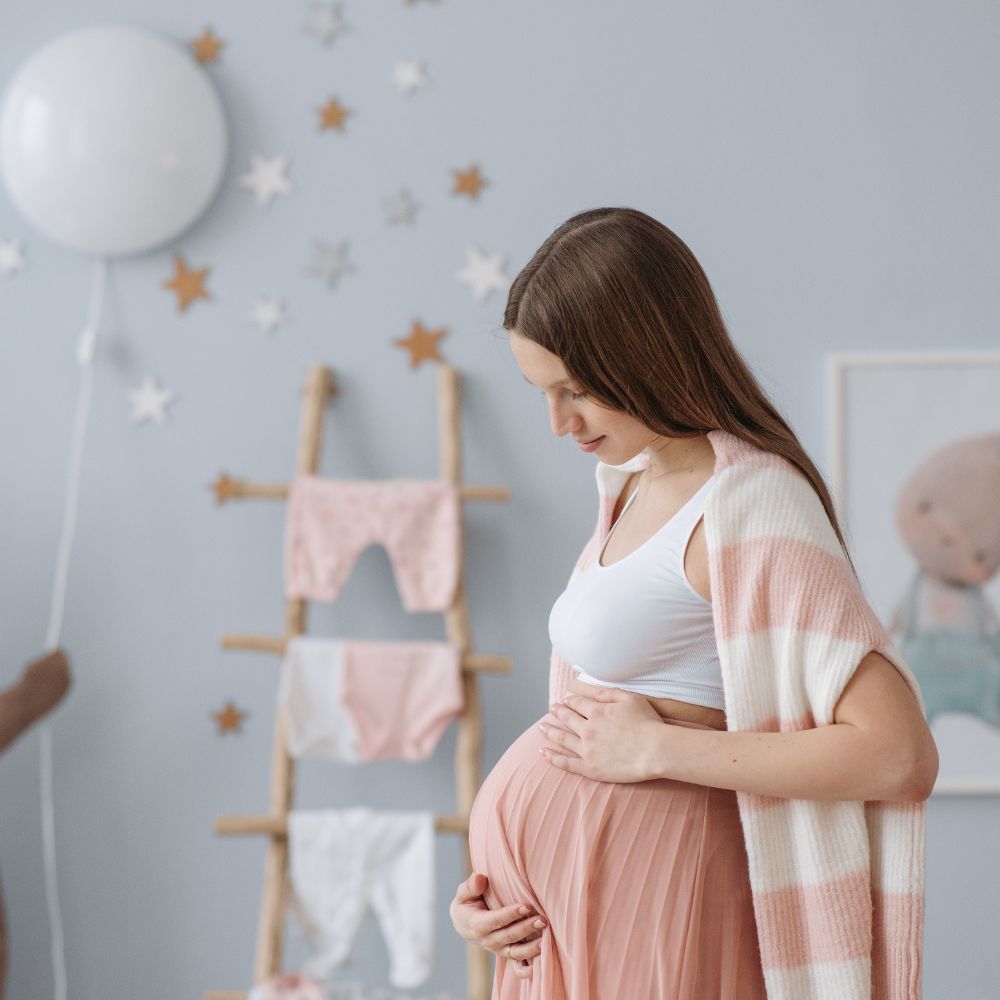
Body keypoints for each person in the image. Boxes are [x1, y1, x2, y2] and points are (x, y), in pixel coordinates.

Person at [449, 207, 938, 999]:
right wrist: (493, 895)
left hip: (662, 903)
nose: (558, 423)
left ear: (648, 356)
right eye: (542, 392)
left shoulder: (752, 505)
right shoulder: (633, 485)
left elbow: (899, 754)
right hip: (571, 923)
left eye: (577, 391)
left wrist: (660, 752)